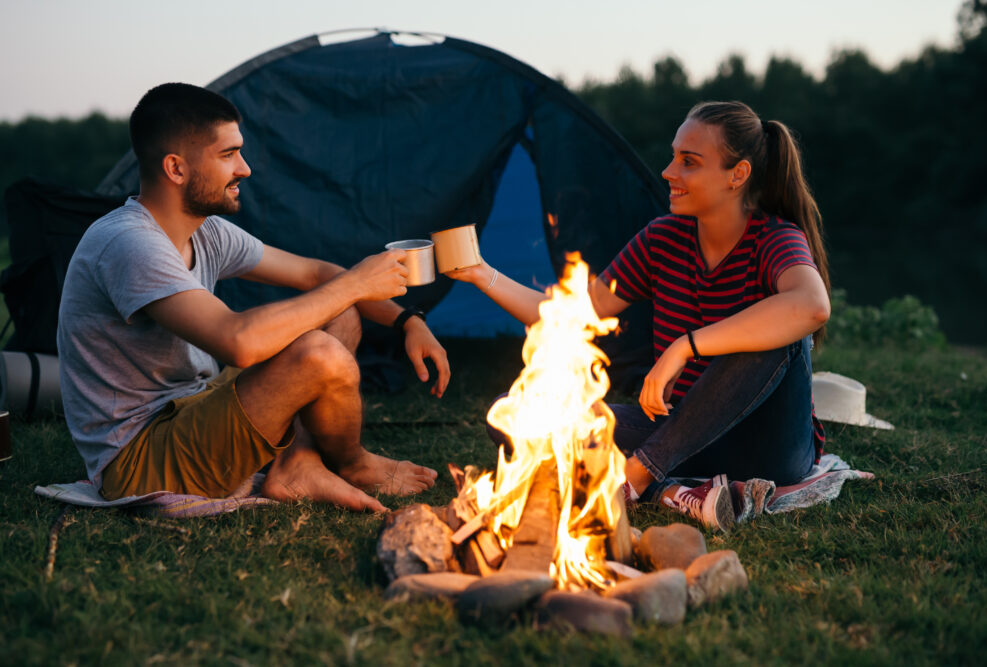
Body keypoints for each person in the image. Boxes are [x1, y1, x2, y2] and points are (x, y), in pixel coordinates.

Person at [57, 82, 451, 513]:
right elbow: (238, 342)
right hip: (139, 456)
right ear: (176, 168)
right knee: (320, 352)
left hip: (193, 403)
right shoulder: (129, 243)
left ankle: (298, 463)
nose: (244, 169)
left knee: (341, 316)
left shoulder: (204, 230)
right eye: (228, 155)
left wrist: (408, 320)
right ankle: (353, 464)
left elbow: (316, 273)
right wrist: (356, 283)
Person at [448, 101, 831, 531]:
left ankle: (636, 478)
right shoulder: (662, 240)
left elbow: (811, 306)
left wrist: (686, 347)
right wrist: (481, 275)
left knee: (778, 333)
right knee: (513, 413)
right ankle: (671, 492)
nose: (669, 171)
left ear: (736, 175)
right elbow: (567, 315)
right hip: (684, 436)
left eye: (689, 162)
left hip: (769, 448)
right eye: (673, 157)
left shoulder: (775, 238)